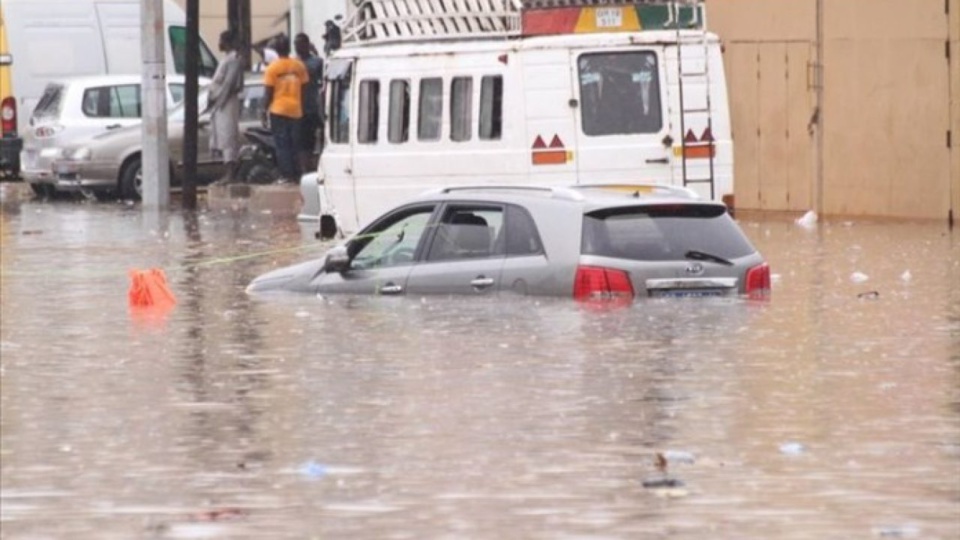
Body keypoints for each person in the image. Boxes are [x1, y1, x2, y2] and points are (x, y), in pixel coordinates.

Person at [262, 34, 309, 184]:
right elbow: (305, 88)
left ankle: (287, 175)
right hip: (296, 110)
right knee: (295, 144)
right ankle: (297, 174)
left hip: (278, 110)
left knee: (282, 144)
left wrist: (263, 111)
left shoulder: (272, 68)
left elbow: (268, 92)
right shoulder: (299, 66)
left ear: (276, 50)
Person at [207, 30, 245, 184]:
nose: (219, 43)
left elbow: (229, 84)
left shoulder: (233, 60)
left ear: (227, 42)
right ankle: (227, 172)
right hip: (220, 104)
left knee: (228, 136)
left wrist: (216, 99)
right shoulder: (226, 59)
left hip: (226, 103)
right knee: (222, 137)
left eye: (221, 40)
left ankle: (230, 174)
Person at [294, 33, 324, 172]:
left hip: (312, 106)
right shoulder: (293, 63)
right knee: (300, 142)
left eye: (299, 43)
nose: (297, 47)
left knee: (313, 139)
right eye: (295, 44)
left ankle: (315, 165)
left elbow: (322, 82)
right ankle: (303, 169)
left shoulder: (316, 62)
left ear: (306, 44)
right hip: (296, 107)